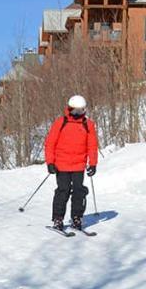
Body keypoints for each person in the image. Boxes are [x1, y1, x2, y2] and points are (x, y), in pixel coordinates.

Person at [44, 94, 98, 231]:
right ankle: (58, 218)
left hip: (79, 165)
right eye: (75, 111)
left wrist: (93, 163)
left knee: (79, 191)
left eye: (80, 111)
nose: (77, 114)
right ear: (69, 109)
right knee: (63, 191)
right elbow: (50, 143)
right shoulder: (61, 122)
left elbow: (92, 145)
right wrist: (50, 162)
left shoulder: (88, 125)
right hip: (61, 165)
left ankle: (77, 218)